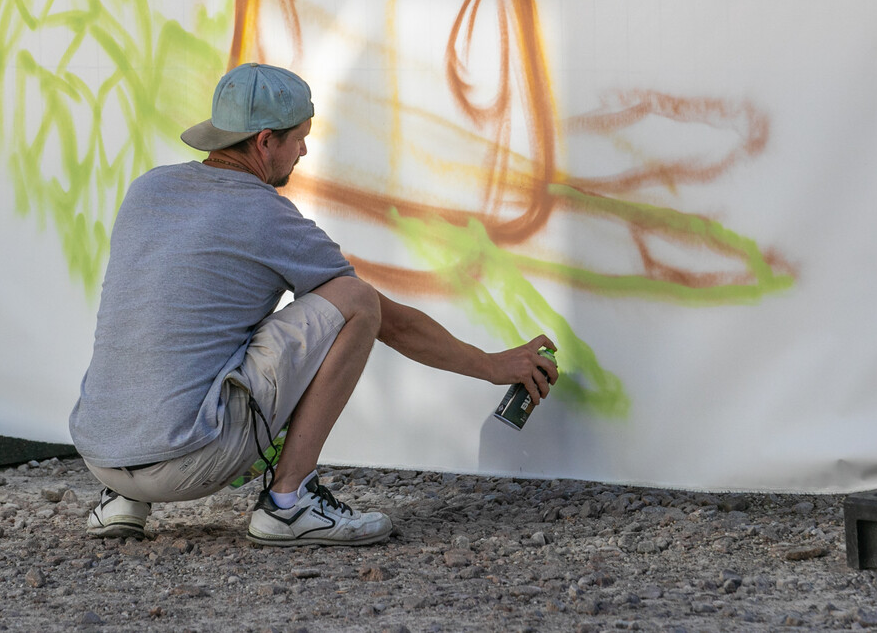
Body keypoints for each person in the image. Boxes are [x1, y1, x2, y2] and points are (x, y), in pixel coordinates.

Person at [69, 63, 559, 546]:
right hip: (188, 462)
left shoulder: (148, 189)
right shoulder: (267, 216)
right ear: (265, 141)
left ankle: (122, 499)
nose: (304, 150)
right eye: (299, 138)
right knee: (356, 299)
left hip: (99, 452)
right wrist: (491, 365)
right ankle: (289, 502)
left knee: (176, 321)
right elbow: (391, 323)